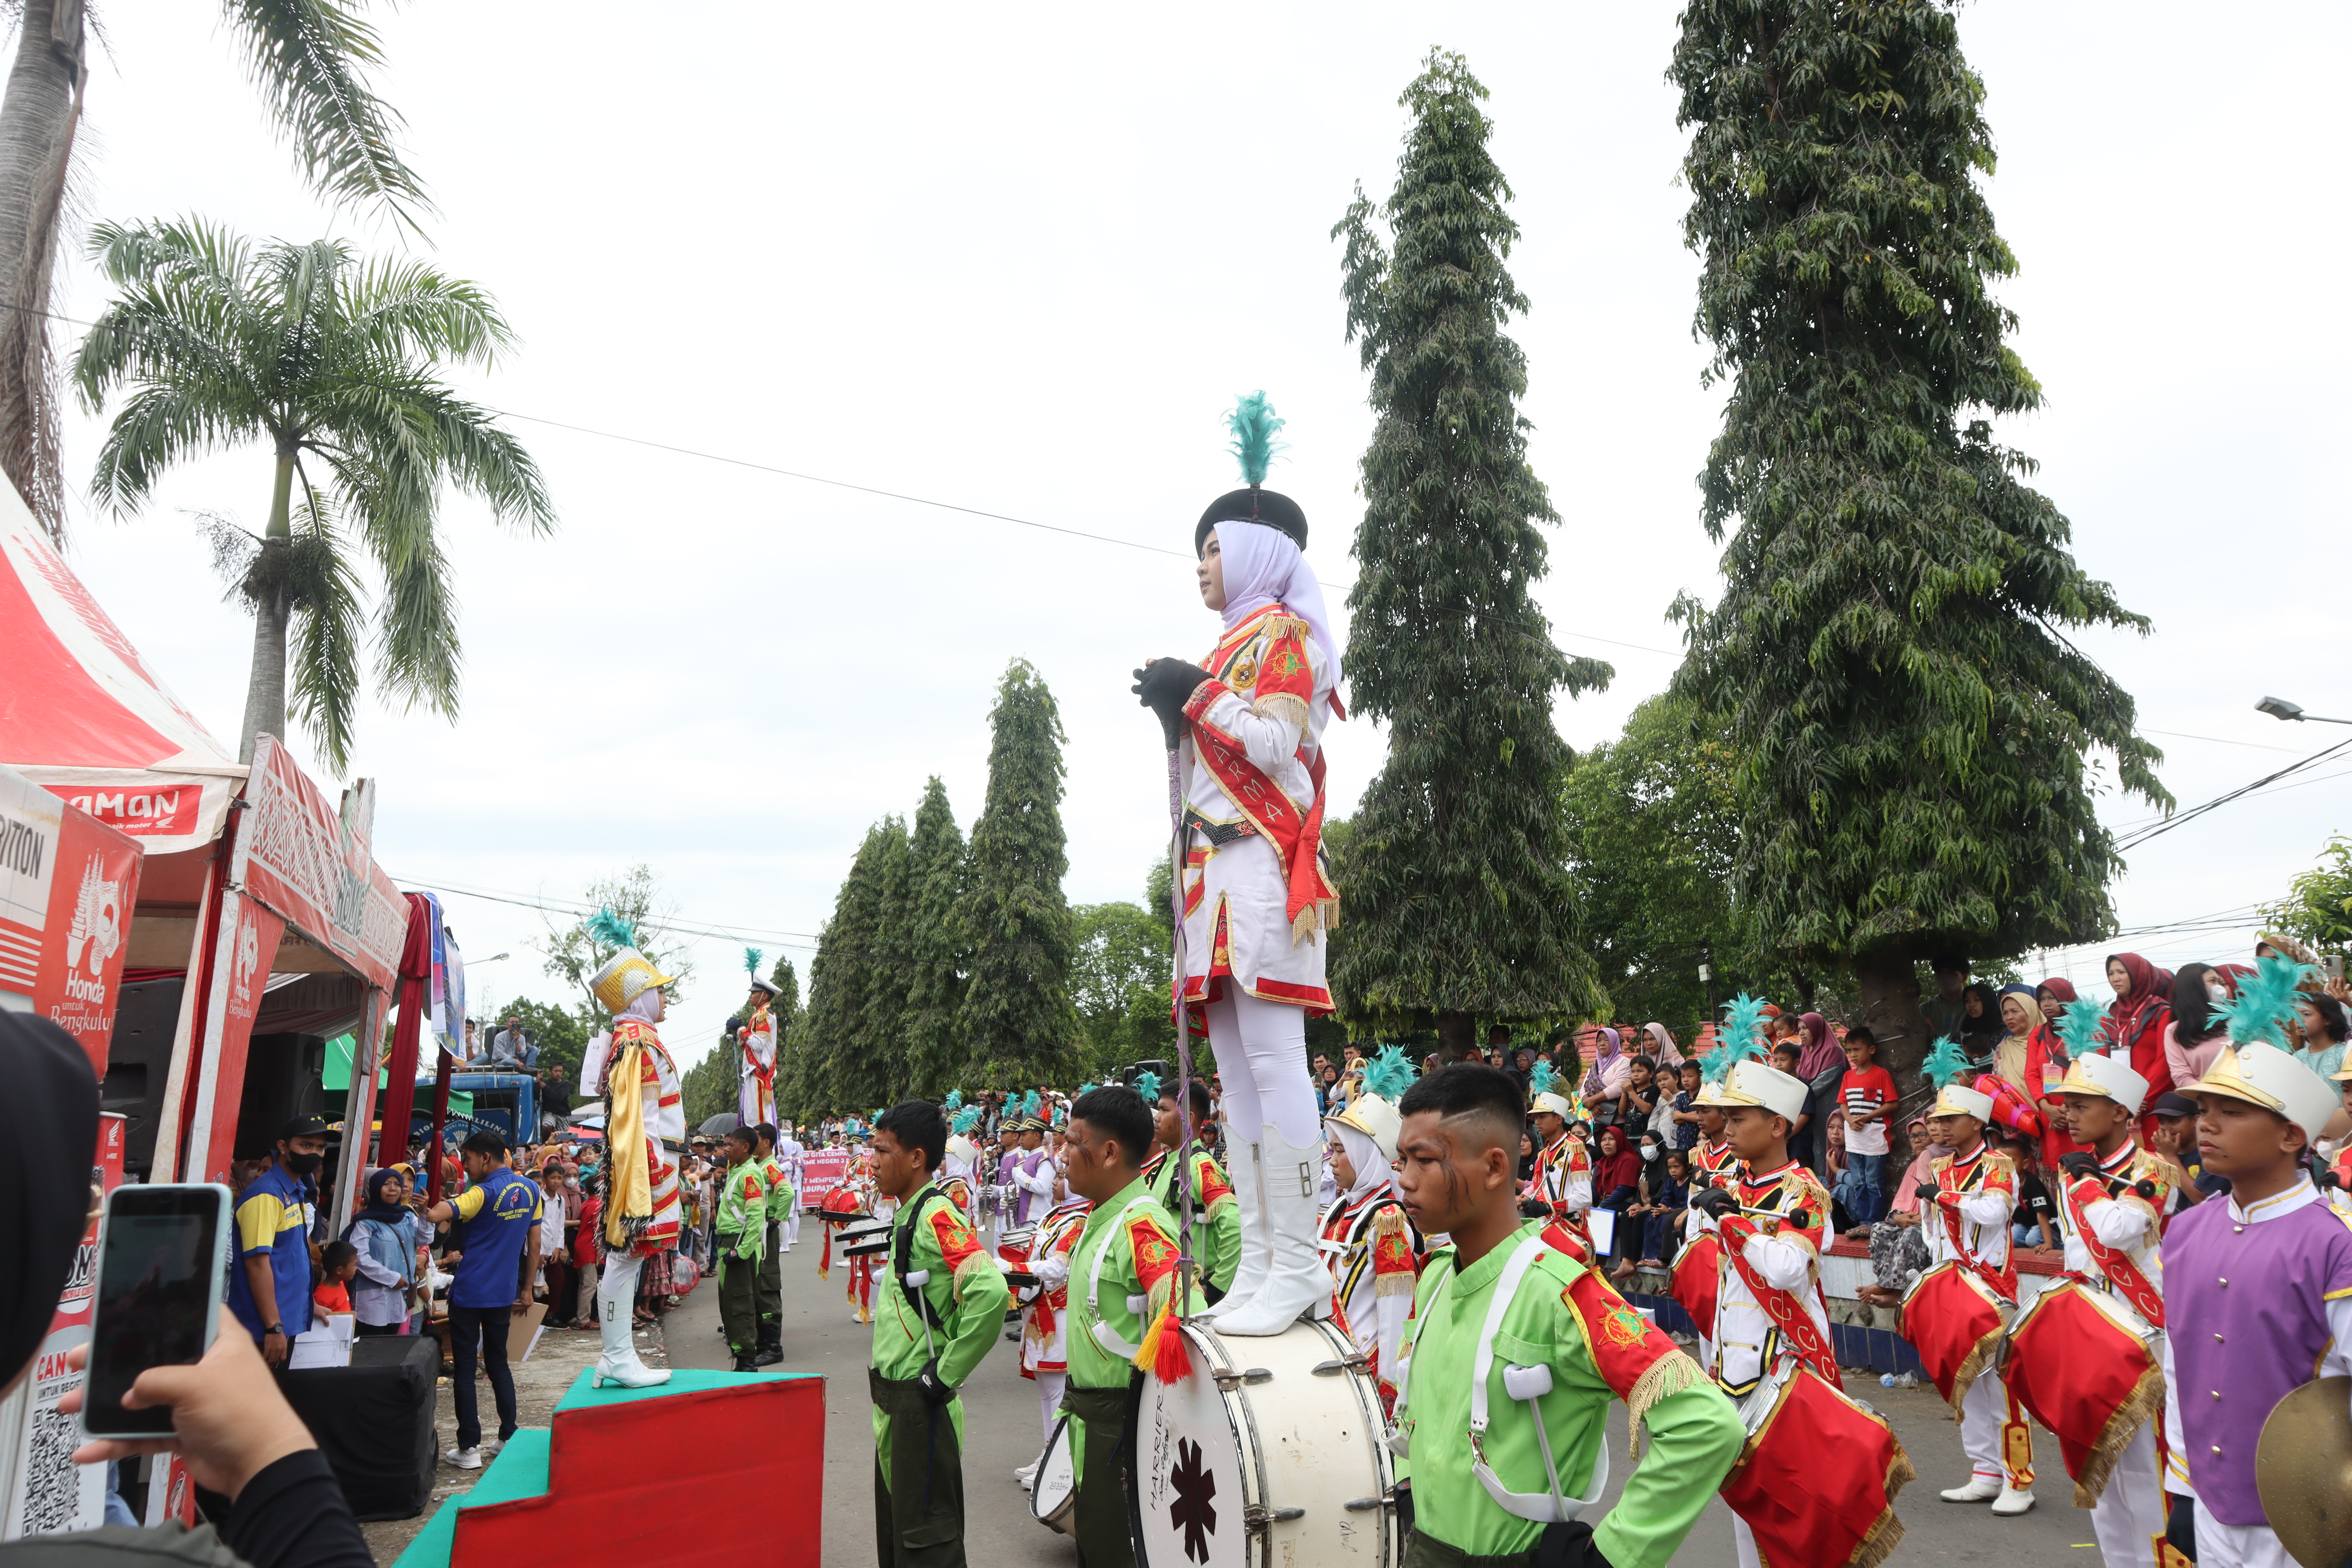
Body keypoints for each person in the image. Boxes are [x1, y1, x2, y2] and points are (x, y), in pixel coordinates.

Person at [1129, 422, 1343, 1340]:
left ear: (1258, 550)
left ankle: (1300, 1264)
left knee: (1274, 1059)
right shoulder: (1223, 649)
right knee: (1233, 1075)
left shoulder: (1287, 637)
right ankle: (1258, 1263)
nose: (1202, 565)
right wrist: (1177, 711)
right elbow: (1207, 766)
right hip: (1210, 874)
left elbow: (1274, 742)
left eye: (1215, 548)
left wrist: (1198, 696)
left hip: (1262, 861)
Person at [1389, 1062, 1745, 1567]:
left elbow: (1708, 1425)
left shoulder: (1562, 1293)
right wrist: (1409, 1485)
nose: (1404, 1180)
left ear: (1494, 1168)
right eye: (1402, 1159)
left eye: (1424, 1160)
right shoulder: (1436, 1276)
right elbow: (1417, 1402)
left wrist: (1611, 1555)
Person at [1689, 1058, 1912, 1568]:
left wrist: (1733, 1223)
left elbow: (1788, 1269)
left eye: (1739, 1118)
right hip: (1735, 1366)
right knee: (1746, 1498)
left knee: (1793, 1502)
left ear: (1777, 1126)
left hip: (1785, 1364)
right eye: (1727, 1118)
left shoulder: (1803, 1190)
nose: (1728, 1128)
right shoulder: (1735, 1187)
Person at [2163, 983, 2348, 1568]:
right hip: (2209, 1496)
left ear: (2293, 1136)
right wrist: (2182, 1481)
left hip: (2313, 1510)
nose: (2207, 1126)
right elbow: (2180, 1361)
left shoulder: (2335, 1241)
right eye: (2204, 1111)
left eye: (2233, 1112)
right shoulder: (2186, 1231)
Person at [2006, 1052, 2171, 1566]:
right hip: (2086, 1325)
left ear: (2121, 1112)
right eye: (2067, 1105)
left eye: (2082, 1105)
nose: (2068, 1115)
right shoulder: (2074, 1167)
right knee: (2096, 1458)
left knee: (2144, 1465)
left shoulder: (2152, 1169)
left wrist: (2086, 1183)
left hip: (2137, 1331)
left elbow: (2118, 1231)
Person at [864, 1100, 1010, 1568]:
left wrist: (945, 1374)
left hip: (920, 1405)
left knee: (927, 1545)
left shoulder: (935, 1215)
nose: (872, 1162)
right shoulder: (910, 1213)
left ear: (916, 1158)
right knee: (899, 1539)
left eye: (882, 1151)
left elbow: (990, 1290)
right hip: (895, 1404)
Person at [1060, 1084, 1196, 1568]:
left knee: (1115, 1552)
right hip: (1092, 1417)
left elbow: (1185, 1309)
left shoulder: (1140, 1223)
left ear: (1109, 1152)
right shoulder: (1103, 1216)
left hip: (1122, 1421)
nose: (1063, 1155)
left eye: (1073, 1143)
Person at [1904, 1078, 2035, 1514]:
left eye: (1951, 1118)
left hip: (1991, 1288)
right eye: (1938, 1119)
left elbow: (1994, 1212)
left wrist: (1943, 1196)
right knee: (1968, 1383)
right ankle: (1985, 1472)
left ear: (1977, 1122)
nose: (1940, 1126)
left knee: (2001, 1386)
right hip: (1953, 1285)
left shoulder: (1998, 1164)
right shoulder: (1941, 1166)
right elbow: (1935, 1231)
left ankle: (2019, 1478)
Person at [579, 912, 684, 1388]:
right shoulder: (638, 1042)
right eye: (659, 990)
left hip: (648, 1164)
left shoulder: (634, 1038)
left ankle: (617, 1356)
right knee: (626, 1258)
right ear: (640, 996)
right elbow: (635, 1119)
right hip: (647, 1167)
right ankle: (618, 1356)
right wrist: (651, 1172)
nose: (666, 997)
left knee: (628, 1258)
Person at [417, 1130, 541, 1469]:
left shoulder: (481, 1192)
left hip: (471, 1292)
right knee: (499, 1363)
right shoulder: (531, 1189)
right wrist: (527, 1288)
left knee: (465, 1369)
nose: (466, 1167)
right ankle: (508, 1436)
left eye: (468, 1159)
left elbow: (436, 1215)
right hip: (503, 1293)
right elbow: (535, 1244)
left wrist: (427, 1203)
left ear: (486, 1158)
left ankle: (469, 1447)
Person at [1317, 1049, 1423, 1416]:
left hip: (1364, 1368)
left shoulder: (1388, 1220)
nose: (1332, 1161)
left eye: (1340, 1151)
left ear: (1365, 1154)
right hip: (1329, 1353)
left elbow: (1396, 1312)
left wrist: (1389, 1383)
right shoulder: (1338, 1209)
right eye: (1332, 1150)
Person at [225, 1115, 334, 1364]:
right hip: (263, 1329)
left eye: (320, 1148)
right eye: (306, 1145)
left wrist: (309, 1305)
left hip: (285, 1322)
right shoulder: (266, 1194)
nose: (315, 1154)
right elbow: (257, 1264)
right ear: (283, 1147)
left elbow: (289, 1257)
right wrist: (273, 1327)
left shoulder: (294, 1191)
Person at [1010, 1187, 1090, 1487]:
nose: (1059, 1179)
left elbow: (1058, 1268)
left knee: (1058, 1390)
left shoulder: (1080, 1218)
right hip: (1038, 1308)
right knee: (1046, 1388)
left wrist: (1014, 1268)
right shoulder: (1055, 1213)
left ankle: (1060, 1463)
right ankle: (1049, 1451)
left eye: (1062, 1173)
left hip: (1059, 1313)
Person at [1139, 1073, 1240, 1302]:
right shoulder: (1167, 1162)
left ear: (1188, 1117)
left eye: (1164, 1110)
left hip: (1193, 1291)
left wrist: (1217, 1286)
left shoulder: (1199, 1165)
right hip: (1169, 1286)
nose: (1157, 1117)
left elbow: (1234, 1225)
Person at [711, 1125, 768, 1370]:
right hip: (728, 1244)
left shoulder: (749, 1174)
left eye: (730, 1144)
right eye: (725, 1144)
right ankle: (741, 1355)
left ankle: (746, 1362)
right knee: (729, 1304)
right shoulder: (736, 1171)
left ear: (746, 1147)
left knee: (740, 1305)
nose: (725, 1149)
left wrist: (742, 1252)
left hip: (738, 1245)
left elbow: (756, 1216)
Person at [2104, 953, 2177, 1140]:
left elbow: (2165, 1061)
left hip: (2151, 1103)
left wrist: (2140, 1098)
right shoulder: (2111, 1015)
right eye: (2111, 973)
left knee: (2155, 1154)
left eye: (2122, 972)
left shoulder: (2161, 1011)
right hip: (2118, 1105)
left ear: (2139, 975)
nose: (2115, 978)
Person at [1523, 1061, 1594, 1249]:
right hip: (1545, 1231)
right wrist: (1524, 1199)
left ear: (1559, 1119)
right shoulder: (1543, 1155)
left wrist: (1548, 1208)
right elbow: (1540, 1189)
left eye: (1543, 1117)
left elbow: (1585, 1198)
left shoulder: (1576, 1149)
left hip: (1569, 1231)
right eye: (1536, 1118)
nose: (1537, 1122)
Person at [1832, 1026, 1895, 1228]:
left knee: (1874, 1181)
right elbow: (1843, 1103)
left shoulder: (1881, 1075)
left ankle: (1874, 1221)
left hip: (1875, 1138)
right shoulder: (1848, 1077)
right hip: (1854, 1139)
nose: (1853, 1055)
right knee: (1859, 1181)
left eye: (1857, 1050)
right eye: (1850, 1051)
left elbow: (1892, 1103)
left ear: (1872, 1050)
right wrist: (1850, 1120)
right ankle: (1863, 1220)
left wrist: (1868, 1116)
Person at [345, 1168, 420, 1336]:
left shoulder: (408, 1216)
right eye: (387, 1184)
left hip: (399, 1297)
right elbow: (360, 1259)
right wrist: (392, 1279)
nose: (393, 1189)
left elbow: (425, 1239)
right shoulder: (365, 1222)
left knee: (389, 1346)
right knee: (370, 1344)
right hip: (373, 1299)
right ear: (376, 1188)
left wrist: (424, 1214)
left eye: (397, 1184)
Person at [751, 1122, 789, 1365]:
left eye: (755, 1139)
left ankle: (773, 1347)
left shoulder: (770, 1167)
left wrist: (775, 1221)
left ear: (766, 1142)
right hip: (760, 1230)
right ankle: (763, 1341)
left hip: (767, 1230)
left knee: (767, 1282)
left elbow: (787, 1193)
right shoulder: (759, 1166)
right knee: (758, 1281)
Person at [734, 960, 782, 1127]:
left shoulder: (764, 1016)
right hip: (752, 1072)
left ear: (765, 996)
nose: (750, 997)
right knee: (750, 1117)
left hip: (759, 1073)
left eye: (754, 993)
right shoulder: (757, 1016)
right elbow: (749, 1046)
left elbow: (758, 1044)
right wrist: (739, 1033)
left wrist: (740, 1030)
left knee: (759, 1119)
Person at [311, 1242, 358, 1323]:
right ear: (340, 1270)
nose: (356, 1268)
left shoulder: (341, 1282)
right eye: (354, 1265)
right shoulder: (322, 1296)